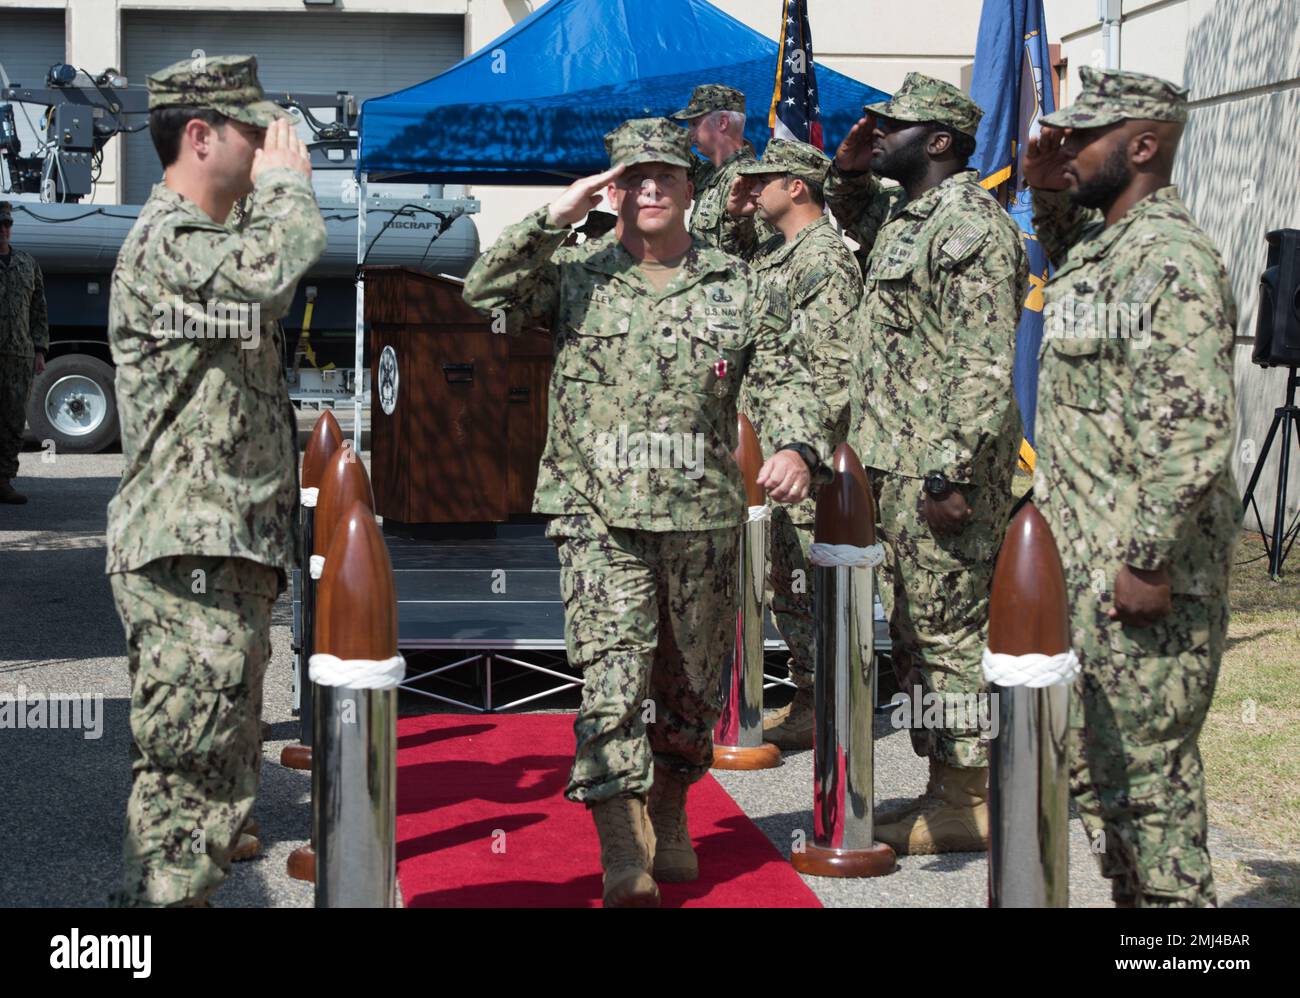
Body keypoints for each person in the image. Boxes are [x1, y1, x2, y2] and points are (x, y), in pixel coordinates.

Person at [463, 117, 827, 907]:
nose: (650, 188)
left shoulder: (738, 283)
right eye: (633, 177)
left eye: (665, 174)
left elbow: (794, 374)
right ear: (613, 189)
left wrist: (796, 446)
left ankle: (671, 799)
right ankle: (621, 839)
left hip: (702, 517)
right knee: (611, 681)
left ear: (693, 187)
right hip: (599, 517)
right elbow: (483, 290)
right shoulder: (574, 275)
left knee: (694, 685)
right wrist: (555, 217)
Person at [105, 54, 326, 907]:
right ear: (200, 137)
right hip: (184, 558)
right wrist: (286, 185)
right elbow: (276, 271)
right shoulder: (169, 244)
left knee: (213, 789)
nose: (274, 143)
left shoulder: (207, 245)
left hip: (226, 551)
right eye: (254, 129)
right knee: (183, 799)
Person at [1025, 67, 1239, 908]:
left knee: (1149, 788)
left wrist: (1147, 560)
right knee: (1100, 775)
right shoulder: (1103, 247)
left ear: (1143, 146)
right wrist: (1049, 184)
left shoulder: (1170, 258)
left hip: (1142, 576)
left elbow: (1193, 429)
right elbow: (1060, 242)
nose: (1064, 147)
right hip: (1087, 568)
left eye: (1085, 137)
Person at [825, 72, 1028, 854]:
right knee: (915, 631)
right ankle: (946, 782)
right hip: (896, 465)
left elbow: (981, 363)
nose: (879, 134)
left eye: (894, 127)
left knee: (946, 635)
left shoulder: (971, 226)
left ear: (939, 142)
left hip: (938, 473)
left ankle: (965, 799)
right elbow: (852, 212)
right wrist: (848, 165)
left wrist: (948, 473)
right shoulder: (915, 215)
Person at [721, 139, 862, 748]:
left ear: (797, 186)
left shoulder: (823, 258)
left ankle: (829, 704)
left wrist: (805, 448)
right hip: (771, 445)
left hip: (801, 452)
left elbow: (833, 368)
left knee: (813, 581)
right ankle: (813, 697)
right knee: (788, 582)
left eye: (764, 181)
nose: (754, 190)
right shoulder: (779, 254)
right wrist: (733, 216)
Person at [671, 84, 765, 258]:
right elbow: (675, 161)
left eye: (694, 124)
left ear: (722, 123)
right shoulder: (710, 172)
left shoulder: (748, 180)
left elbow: (755, 254)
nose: (689, 133)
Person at [0, 201, 48, 505]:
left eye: (6, 224)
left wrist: (40, 348)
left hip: (18, 355)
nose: (3, 230)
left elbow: (39, 309)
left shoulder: (26, 263)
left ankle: (3, 481)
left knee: (13, 420)